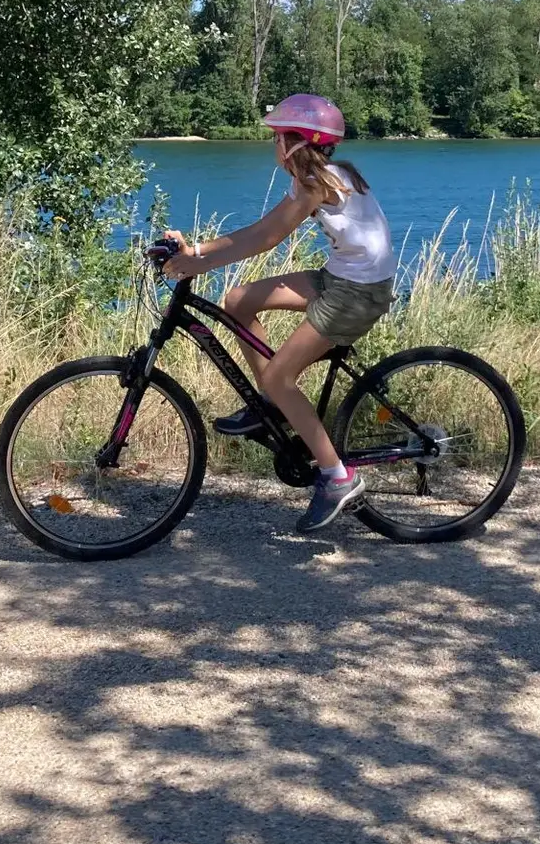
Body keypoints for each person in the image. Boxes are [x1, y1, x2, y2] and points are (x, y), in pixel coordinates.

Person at [158, 93, 397, 532]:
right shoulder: (322, 176)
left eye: (277, 138)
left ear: (295, 144)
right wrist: (195, 252)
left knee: (278, 375)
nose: (272, 146)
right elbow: (260, 233)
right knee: (238, 301)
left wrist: (197, 259)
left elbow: (265, 237)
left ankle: (337, 476)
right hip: (342, 279)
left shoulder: (317, 184)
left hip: (357, 293)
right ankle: (275, 403)